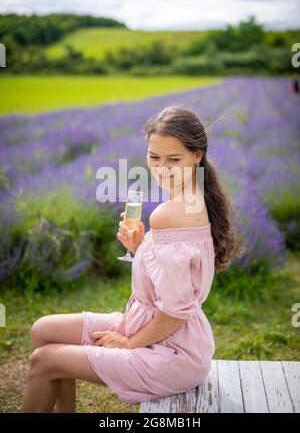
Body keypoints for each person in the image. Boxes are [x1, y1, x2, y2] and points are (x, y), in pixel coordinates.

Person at [21, 104, 244, 412]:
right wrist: (143, 248)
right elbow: (175, 277)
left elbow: (176, 312)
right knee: (42, 330)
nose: (162, 168)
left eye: (173, 159)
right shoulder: (190, 199)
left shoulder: (171, 213)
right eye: (154, 157)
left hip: (172, 350)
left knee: (44, 359)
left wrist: (128, 343)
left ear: (197, 156)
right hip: (154, 328)